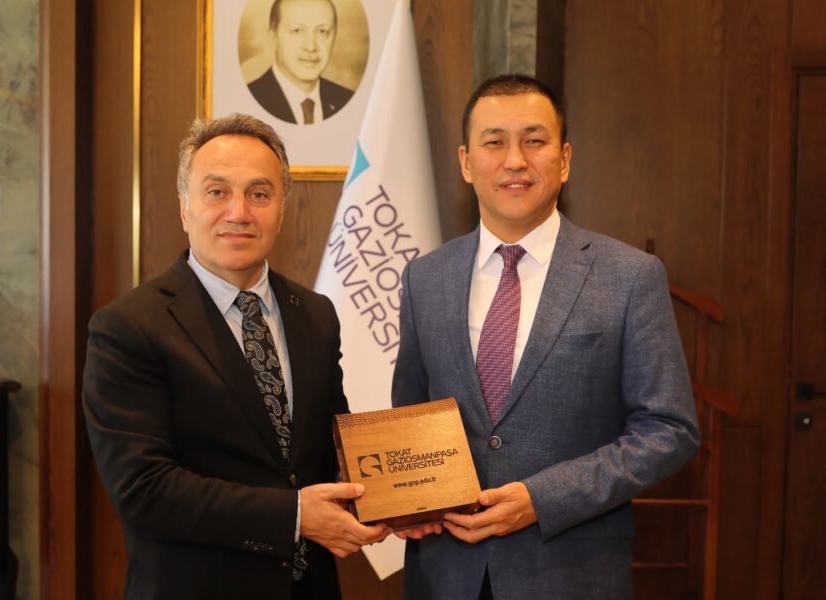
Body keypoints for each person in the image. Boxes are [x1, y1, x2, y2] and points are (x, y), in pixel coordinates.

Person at [391, 74, 700, 599]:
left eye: (534, 141)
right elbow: (410, 418)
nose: (515, 160)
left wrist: (543, 498)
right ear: (466, 162)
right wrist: (405, 500)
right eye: (494, 142)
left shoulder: (630, 276)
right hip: (444, 577)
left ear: (564, 159)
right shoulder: (425, 277)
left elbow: (669, 431)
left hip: (570, 576)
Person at [83, 114, 388, 600]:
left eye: (259, 194)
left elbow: (330, 441)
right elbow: (143, 490)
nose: (239, 212)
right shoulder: (128, 327)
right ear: (185, 208)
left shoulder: (315, 313)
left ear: (281, 211)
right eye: (217, 192)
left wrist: (398, 499)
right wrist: (294, 516)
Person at [247, 0, 353, 124]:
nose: (311, 47)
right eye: (297, 31)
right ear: (273, 37)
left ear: (334, 37)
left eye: (322, 31)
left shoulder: (347, 100)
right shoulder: (248, 101)